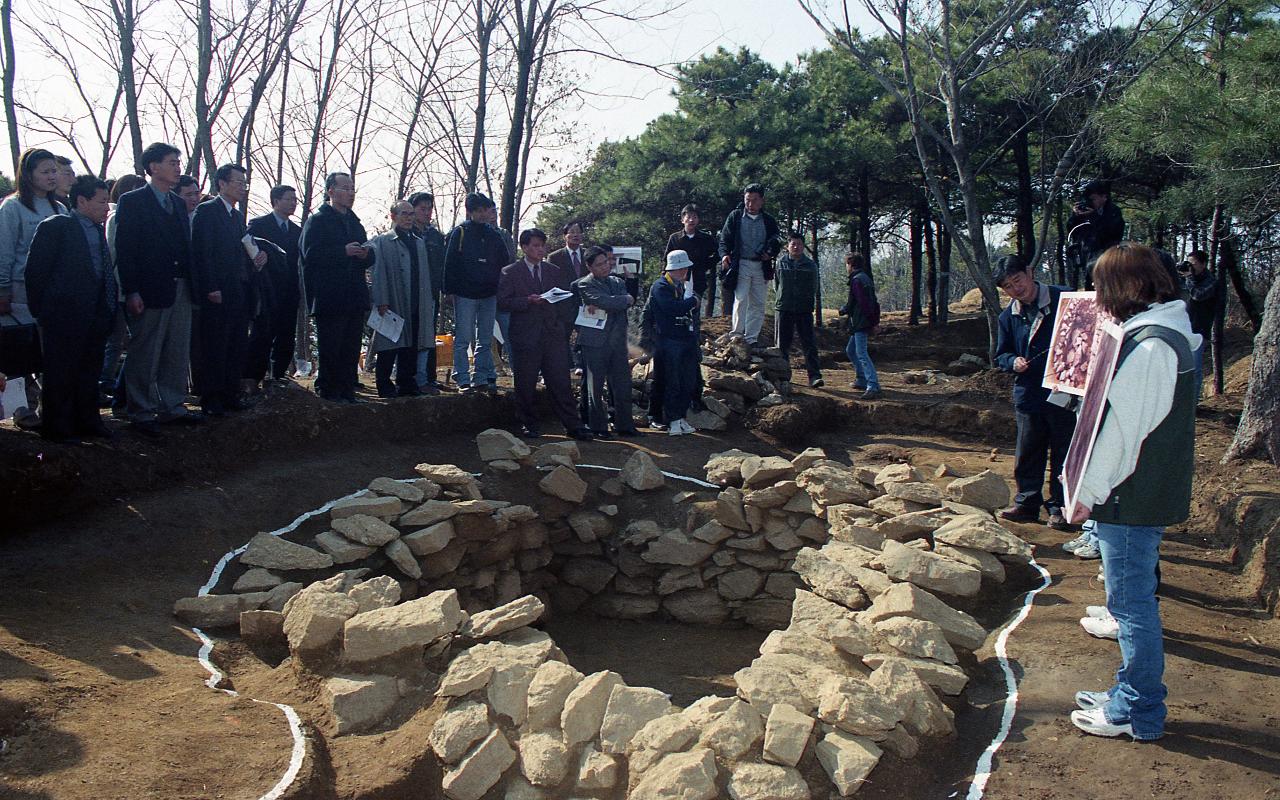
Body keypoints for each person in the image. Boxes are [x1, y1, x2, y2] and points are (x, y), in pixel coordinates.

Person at [1066, 242, 1198, 742]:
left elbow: (1125, 432)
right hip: (1137, 491)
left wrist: (1087, 491)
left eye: (1103, 287)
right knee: (1131, 603)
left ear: (1129, 287)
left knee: (1131, 608)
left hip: (1130, 495)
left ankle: (1137, 712)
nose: (1098, 297)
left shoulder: (1152, 347)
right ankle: (1129, 694)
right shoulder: (1164, 332)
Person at [115, 142, 200, 435]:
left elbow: (185, 247)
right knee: (146, 350)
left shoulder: (177, 203)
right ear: (153, 167)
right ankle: (140, 410)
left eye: (178, 162)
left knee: (176, 350)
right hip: (149, 289)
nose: (178, 167)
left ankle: (172, 406)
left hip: (180, 286)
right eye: (171, 162)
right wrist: (132, 290)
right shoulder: (132, 202)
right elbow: (126, 250)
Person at [24, 175, 116, 442]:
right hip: (62, 315)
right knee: (61, 373)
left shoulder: (98, 230)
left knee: (89, 372)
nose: (106, 208)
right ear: (82, 200)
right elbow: (36, 272)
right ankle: (57, 428)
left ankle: (88, 421)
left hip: (95, 314)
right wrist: (42, 311)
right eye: (101, 202)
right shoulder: (57, 227)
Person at [994, 254, 1076, 531]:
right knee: (1028, 451)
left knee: (1064, 452)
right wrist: (1012, 362)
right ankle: (1027, 503)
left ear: (1030, 272)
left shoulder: (1065, 299)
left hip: (1065, 392)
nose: (1016, 289)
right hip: (1029, 393)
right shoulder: (1009, 316)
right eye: (1008, 286)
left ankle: (1061, 507)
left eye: (1017, 280)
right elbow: (1001, 354)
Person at [497, 228, 592, 441]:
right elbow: (503, 302)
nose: (540, 250)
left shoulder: (553, 270)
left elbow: (564, 299)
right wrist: (527, 301)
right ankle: (528, 423)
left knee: (560, 380)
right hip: (525, 333)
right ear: (524, 248)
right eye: (535, 246)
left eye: (542, 245)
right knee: (526, 382)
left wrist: (559, 322)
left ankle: (573, 424)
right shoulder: (510, 272)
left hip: (552, 332)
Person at [190, 164, 266, 416]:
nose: (243, 187)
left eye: (245, 183)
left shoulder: (236, 216)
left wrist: (255, 262)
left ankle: (229, 392)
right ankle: (211, 397)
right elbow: (203, 252)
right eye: (238, 182)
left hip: (239, 289)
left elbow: (240, 253)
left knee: (236, 343)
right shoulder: (207, 211)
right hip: (218, 289)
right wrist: (210, 286)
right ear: (221, 183)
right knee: (215, 344)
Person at [0, 148, 66, 430]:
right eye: (45, 171)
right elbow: (4, 250)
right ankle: (20, 409)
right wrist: (2, 289)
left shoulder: (60, 209)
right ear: (28, 175)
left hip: (51, 294)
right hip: (18, 292)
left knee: (45, 353)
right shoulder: (12, 207)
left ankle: (45, 406)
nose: (52, 177)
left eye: (54, 171)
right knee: (18, 354)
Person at [300, 172, 374, 403]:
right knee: (331, 344)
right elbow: (309, 255)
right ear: (330, 191)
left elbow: (368, 254)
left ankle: (346, 389)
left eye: (352, 189)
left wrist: (365, 254)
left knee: (351, 345)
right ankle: (328, 388)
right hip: (330, 295)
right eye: (345, 188)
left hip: (355, 293)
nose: (350, 193)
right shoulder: (318, 220)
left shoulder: (355, 222)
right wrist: (343, 252)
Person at [367, 200, 434, 398]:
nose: (408, 218)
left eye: (411, 214)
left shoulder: (418, 242)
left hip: (416, 298)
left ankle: (406, 382)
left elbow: (424, 275)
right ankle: (384, 384)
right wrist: (381, 299)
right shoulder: (382, 241)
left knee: (412, 343)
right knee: (388, 343)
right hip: (393, 298)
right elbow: (377, 273)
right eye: (404, 214)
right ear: (393, 216)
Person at [442, 193, 507, 394]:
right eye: (478, 210)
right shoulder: (459, 232)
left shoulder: (494, 234)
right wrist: (448, 290)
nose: (483, 214)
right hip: (464, 293)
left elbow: (504, 262)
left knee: (486, 338)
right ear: (469, 212)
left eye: (486, 210)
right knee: (463, 338)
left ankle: (482, 377)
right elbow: (449, 263)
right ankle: (462, 377)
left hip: (489, 293)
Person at [573, 245, 639, 438]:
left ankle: (625, 425)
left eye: (607, 262)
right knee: (595, 385)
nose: (605, 267)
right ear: (589, 266)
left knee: (622, 384)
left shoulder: (617, 281)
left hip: (617, 340)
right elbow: (605, 302)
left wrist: (618, 300)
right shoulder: (585, 284)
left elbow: (624, 301)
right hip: (594, 341)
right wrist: (622, 300)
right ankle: (598, 427)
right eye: (600, 264)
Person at [245, 184, 302, 386]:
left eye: (295, 200)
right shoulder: (259, 224)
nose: (293, 204)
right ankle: (253, 376)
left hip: (289, 289)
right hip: (266, 288)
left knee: (286, 333)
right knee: (262, 333)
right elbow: (248, 250)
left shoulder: (297, 231)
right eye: (289, 199)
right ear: (276, 201)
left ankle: (278, 374)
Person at [100, 173, 147, 404]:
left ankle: (118, 387)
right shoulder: (116, 216)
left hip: (135, 286)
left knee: (134, 340)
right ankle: (108, 383)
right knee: (117, 341)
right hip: (120, 288)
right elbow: (113, 253)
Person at [650, 250, 701, 436]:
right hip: (669, 340)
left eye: (685, 268)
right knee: (672, 381)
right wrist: (692, 302)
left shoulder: (684, 286)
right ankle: (672, 419)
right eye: (680, 268)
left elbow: (692, 310)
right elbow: (672, 308)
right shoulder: (661, 286)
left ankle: (681, 417)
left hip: (686, 339)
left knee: (688, 380)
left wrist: (692, 303)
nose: (684, 272)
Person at [408, 191, 447, 392]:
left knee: (428, 336)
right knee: (411, 337)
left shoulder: (435, 236)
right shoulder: (405, 233)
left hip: (431, 292)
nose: (426, 212)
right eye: (422, 209)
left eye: (429, 208)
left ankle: (427, 378)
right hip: (409, 295)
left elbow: (442, 265)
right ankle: (410, 378)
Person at [774, 231, 823, 387]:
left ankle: (814, 376)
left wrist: (806, 301)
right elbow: (777, 285)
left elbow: (814, 286)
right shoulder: (780, 262)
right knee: (782, 345)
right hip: (784, 308)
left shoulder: (810, 265)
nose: (796, 247)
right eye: (793, 244)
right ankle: (783, 376)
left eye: (799, 244)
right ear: (788, 246)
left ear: (803, 246)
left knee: (809, 344)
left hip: (804, 309)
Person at [839, 252, 881, 400]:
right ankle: (861, 379)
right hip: (861, 321)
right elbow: (874, 302)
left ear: (850, 265)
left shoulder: (857, 281)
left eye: (846, 264)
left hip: (860, 322)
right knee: (850, 350)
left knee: (861, 353)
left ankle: (872, 385)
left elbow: (860, 302)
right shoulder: (865, 279)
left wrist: (845, 309)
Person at [1069, 179, 1125, 288]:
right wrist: (1076, 216)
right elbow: (1072, 230)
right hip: (1088, 256)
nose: (1090, 202)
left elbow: (1112, 233)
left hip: (1108, 257)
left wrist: (1093, 216)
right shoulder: (1084, 211)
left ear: (1104, 197)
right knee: (1090, 286)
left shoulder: (1113, 211)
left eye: (1093, 199)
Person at [666, 204, 719, 318]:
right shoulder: (674, 238)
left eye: (694, 217)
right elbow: (666, 259)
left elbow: (717, 253)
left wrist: (705, 265)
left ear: (698, 220)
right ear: (682, 219)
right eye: (688, 217)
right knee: (678, 308)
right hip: (678, 279)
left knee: (695, 307)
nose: (691, 220)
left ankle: (694, 332)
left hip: (698, 278)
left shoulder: (705, 238)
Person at [1179, 249, 1216, 389]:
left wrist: (1189, 278)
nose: (1190, 267)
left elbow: (1198, 295)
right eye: (1189, 263)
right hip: (1181, 327)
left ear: (1203, 264)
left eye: (1193, 264)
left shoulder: (1211, 282)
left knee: (1194, 370)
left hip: (1198, 331)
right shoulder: (1185, 279)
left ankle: (1193, 406)